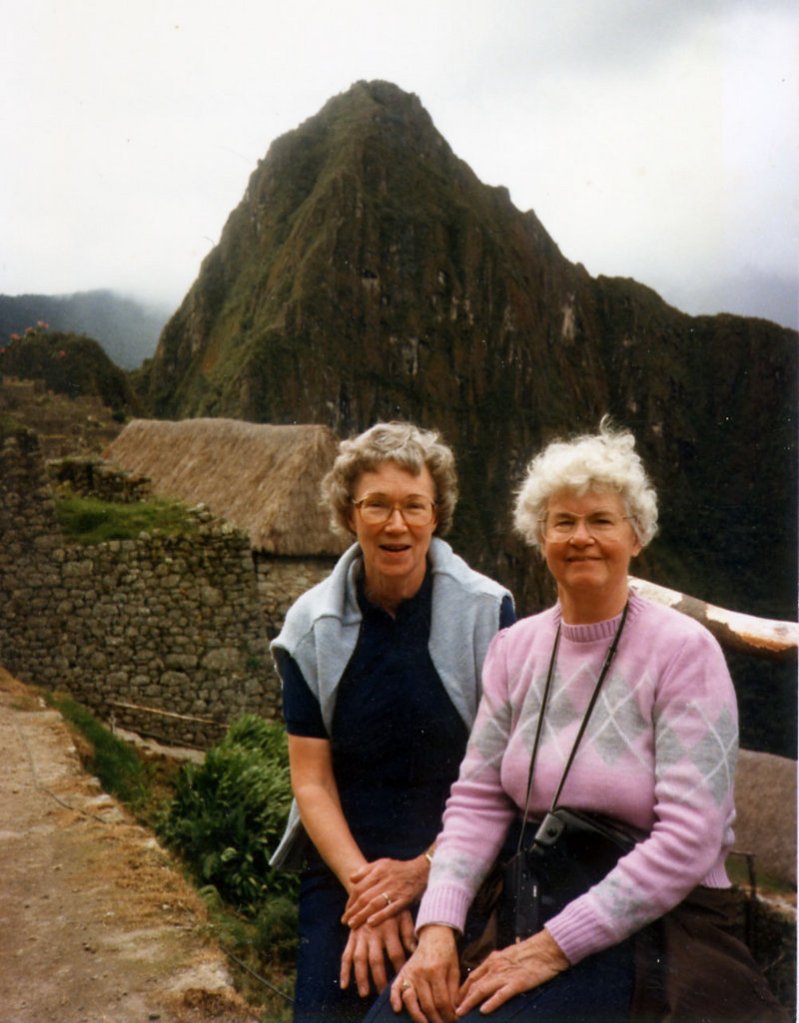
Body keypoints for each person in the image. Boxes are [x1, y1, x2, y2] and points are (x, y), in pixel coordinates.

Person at [372, 418, 787, 1023]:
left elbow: (690, 839)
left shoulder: (684, 652)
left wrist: (550, 950)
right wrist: (438, 927)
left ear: (636, 537)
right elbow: (479, 800)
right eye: (563, 522)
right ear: (540, 536)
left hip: (656, 925)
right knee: (396, 1015)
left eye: (601, 521)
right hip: (535, 894)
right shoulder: (515, 650)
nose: (581, 537)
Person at [270, 421, 515, 1022]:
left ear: (438, 515)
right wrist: (370, 894)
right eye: (376, 505)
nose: (396, 524)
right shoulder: (311, 625)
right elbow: (311, 781)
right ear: (349, 514)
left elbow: (508, 772)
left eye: (413, 505)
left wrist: (424, 874)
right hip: (346, 872)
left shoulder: (488, 611)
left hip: (462, 862)